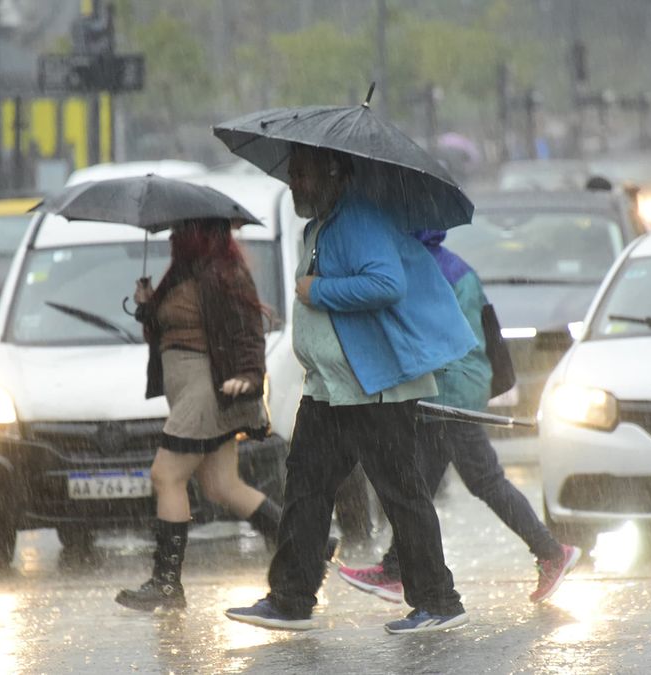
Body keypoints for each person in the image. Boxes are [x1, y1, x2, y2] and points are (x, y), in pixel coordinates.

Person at [225, 144, 479, 634]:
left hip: (371, 388)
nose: (294, 182)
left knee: (400, 492)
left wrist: (318, 290)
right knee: (306, 488)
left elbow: (386, 284)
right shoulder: (325, 223)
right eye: (292, 173)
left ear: (333, 171)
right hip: (330, 387)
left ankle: (439, 600)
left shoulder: (359, 219)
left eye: (302, 173)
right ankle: (291, 599)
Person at [337, 229, 581, 606]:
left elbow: (418, 335)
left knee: (479, 480)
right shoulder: (449, 265)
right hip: (457, 385)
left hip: (450, 392)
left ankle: (550, 551)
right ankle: (396, 567)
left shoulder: (421, 269)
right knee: (419, 485)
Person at [115, 218, 294, 612]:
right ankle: (307, 544)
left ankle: (166, 584)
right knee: (221, 485)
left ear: (200, 234)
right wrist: (147, 307)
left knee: (166, 475)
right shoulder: (183, 273)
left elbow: (249, 330)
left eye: (181, 231)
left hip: (205, 389)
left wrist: (250, 375)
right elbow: (166, 330)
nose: (173, 238)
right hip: (185, 389)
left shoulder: (224, 272)